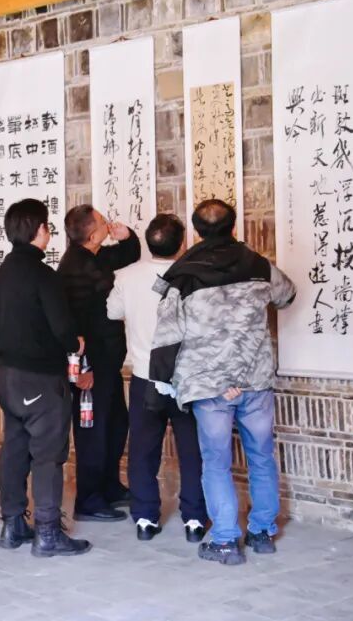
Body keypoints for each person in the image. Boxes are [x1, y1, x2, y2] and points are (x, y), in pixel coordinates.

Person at [149, 199, 296, 566]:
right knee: (261, 455)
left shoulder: (184, 275)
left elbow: (166, 334)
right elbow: (287, 295)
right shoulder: (258, 265)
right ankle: (262, 532)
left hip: (210, 384)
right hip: (254, 379)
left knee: (216, 462)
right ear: (233, 226)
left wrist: (161, 381)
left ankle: (226, 540)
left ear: (196, 231)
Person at [0, 198, 92, 557]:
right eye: (47, 226)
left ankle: (12, 525)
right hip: (41, 380)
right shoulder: (43, 276)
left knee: (15, 449)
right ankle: (47, 533)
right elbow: (62, 328)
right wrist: (76, 342)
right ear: (38, 230)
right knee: (47, 454)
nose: (49, 232)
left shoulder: (0, 275)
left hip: (7, 378)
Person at [107, 213, 208, 543]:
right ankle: (194, 519)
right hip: (187, 377)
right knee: (192, 450)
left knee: (142, 450)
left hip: (145, 377)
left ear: (149, 243)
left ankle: (145, 518)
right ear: (182, 243)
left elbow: (112, 312)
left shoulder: (126, 276)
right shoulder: (195, 274)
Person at [58, 204, 141, 522]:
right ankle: (89, 500)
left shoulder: (93, 256)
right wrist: (81, 369)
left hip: (107, 363)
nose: (109, 223)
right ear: (92, 235)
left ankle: (109, 486)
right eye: (104, 222)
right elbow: (70, 325)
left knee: (116, 425)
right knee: (92, 433)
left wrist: (127, 236)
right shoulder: (73, 269)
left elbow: (127, 255)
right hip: (89, 369)